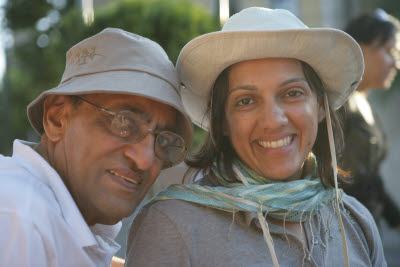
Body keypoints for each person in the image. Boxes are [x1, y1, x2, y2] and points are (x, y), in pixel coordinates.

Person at [126, 7, 386, 266]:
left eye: (292, 93)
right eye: (246, 101)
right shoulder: (174, 226)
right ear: (222, 122)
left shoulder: (354, 219)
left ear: (320, 106)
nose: (273, 120)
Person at [0, 28, 192, 266]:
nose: (145, 159)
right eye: (125, 122)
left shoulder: (47, 217)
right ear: (56, 118)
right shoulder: (17, 220)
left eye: (163, 140)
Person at [340, 9, 400, 230]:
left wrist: (395, 219)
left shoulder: (366, 105)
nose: (396, 63)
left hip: (369, 235)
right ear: (359, 49)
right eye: (389, 51)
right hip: (344, 236)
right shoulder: (334, 107)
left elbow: (372, 179)